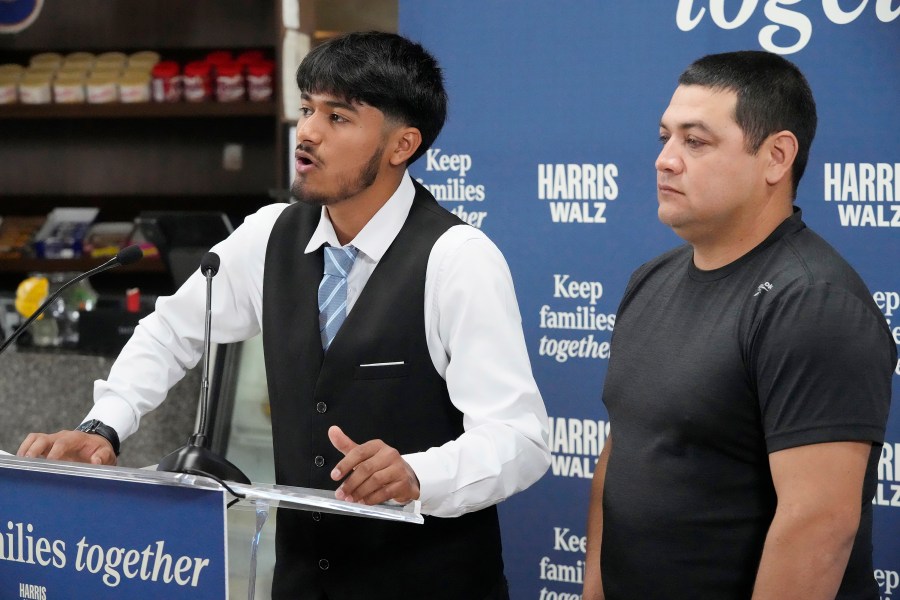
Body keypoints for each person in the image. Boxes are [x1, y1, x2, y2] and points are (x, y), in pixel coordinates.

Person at [18, 31, 550, 600]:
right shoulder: (272, 233)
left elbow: (520, 438)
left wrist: (421, 474)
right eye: (306, 109)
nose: (309, 133)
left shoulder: (457, 259)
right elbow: (170, 330)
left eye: (339, 117)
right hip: (298, 582)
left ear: (403, 145)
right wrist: (104, 425)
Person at [583, 51, 895, 599]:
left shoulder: (812, 304)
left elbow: (817, 525)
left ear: (776, 156)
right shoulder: (649, 279)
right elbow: (623, 450)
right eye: (665, 137)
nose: (665, 160)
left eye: (695, 141)